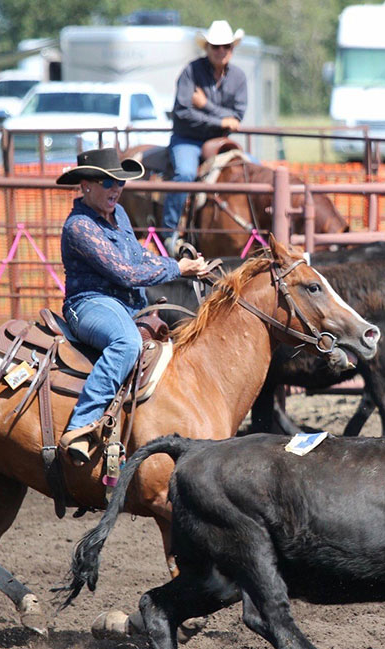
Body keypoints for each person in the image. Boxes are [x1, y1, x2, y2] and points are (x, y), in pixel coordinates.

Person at [56, 148, 210, 465]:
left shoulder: (120, 216)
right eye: (107, 182)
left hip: (125, 304)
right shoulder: (80, 227)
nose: (116, 189)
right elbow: (125, 273)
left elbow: (139, 258)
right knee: (126, 343)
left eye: (120, 183)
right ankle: (81, 426)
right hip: (89, 303)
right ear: (85, 185)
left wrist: (178, 264)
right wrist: (179, 270)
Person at [161, 20, 248, 251]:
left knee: (252, 169)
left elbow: (237, 116)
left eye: (226, 46)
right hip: (187, 138)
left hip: (220, 141)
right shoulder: (191, 71)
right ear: (207, 48)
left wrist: (206, 105)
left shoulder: (238, 77)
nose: (221, 51)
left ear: (232, 48)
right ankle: (169, 232)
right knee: (185, 174)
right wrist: (221, 120)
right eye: (216, 46)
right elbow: (182, 112)